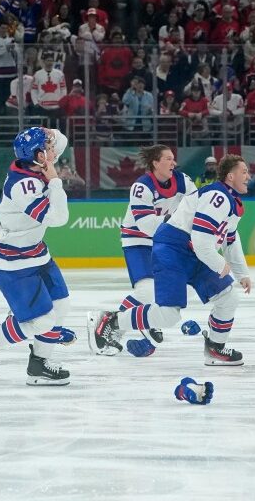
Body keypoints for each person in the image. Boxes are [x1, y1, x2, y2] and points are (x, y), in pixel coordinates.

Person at [88, 154, 251, 366]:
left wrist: (242, 274)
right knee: (168, 315)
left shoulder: (231, 201)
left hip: (192, 252)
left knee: (228, 297)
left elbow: (230, 238)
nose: (248, 176)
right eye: (244, 172)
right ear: (230, 176)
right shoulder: (217, 197)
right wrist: (221, 265)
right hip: (173, 249)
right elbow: (201, 240)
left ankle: (215, 349)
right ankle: (112, 321)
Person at [0, 127, 75, 385]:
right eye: (47, 147)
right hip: (13, 262)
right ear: (38, 155)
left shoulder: (37, 163)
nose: (53, 150)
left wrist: (48, 132)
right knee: (42, 321)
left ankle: (39, 366)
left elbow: (63, 139)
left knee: (60, 307)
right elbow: (60, 218)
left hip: (35, 252)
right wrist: (56, 179)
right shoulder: (23, 186)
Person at [89, 145, 197, 357]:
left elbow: (198, 206)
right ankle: (111, 324)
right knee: (147, 291)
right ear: (155, 163)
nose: (173, 163)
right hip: (137, 239)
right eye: (168, 158)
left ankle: (140, 318)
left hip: (167, 240)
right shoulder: (142, 186)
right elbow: (146, 225)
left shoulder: (183, 180)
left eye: (173, 158)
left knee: (185, 286)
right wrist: (177, 222)